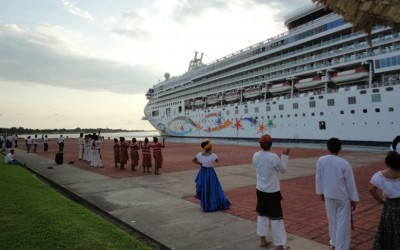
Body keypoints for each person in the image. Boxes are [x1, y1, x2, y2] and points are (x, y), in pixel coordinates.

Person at [316, 138, 359, 250]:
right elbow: (350, 183)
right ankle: (341, 247)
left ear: (327, 147)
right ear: (340, 148)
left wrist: (320, 192)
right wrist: (353, 198)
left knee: (332, 221)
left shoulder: (321, 160)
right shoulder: (344, 163)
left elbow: (318, 177)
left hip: (328, 195)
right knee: (343, 224)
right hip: (342, 197)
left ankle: (333, 244)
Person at [252, 134, 290, 250]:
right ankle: (279, 245)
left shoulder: (255, 155)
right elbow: (283, 170)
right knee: (276, 218)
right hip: (272, 192)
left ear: (260, 144)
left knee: (262, 215)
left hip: (260, 190)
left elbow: (256, 166)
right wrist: (285, 156)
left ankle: (263, 240)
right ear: (271, 144)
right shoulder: (273, 157)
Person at [369, 151, 400, 249]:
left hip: (389, 205)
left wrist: (380, 201)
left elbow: (371, 189)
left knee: (389, 228)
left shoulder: (379, 175)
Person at [192, 139, 231, 212]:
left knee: (205, 188)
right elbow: (217, 160)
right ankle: (214, 204)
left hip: (203, 172)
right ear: (209, 147)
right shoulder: (213, 156)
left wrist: (200, 163)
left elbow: (193, 160)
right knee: (213, 188)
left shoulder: (199, 154)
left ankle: (206, 204)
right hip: (210, 172)